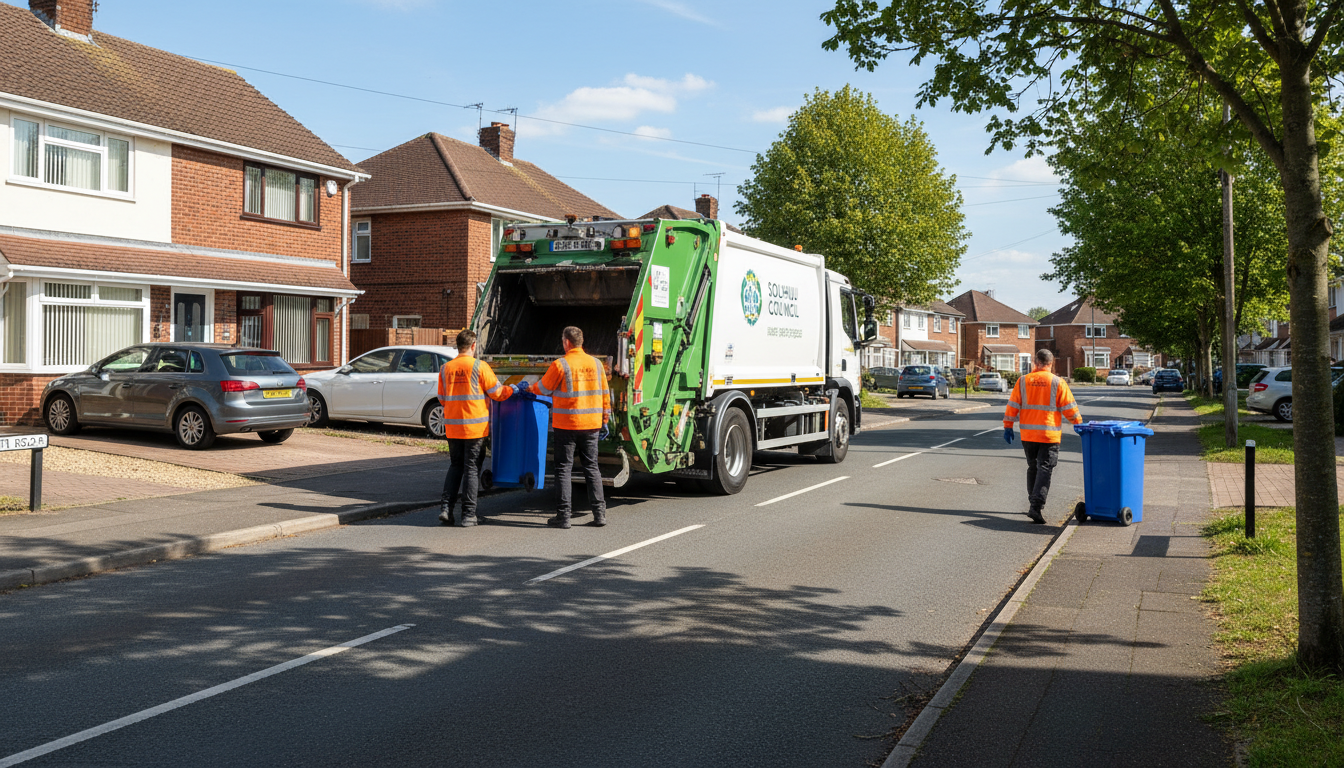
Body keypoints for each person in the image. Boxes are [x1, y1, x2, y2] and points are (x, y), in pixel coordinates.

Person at [519, 326, 611, 528]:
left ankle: (564, 517)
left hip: (567, 425)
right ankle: (599, 515)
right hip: (591, 425)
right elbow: (605, 392)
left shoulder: (561, 365)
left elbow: (543, 388)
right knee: (592, 468)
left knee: (563, 469)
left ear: (566, 342)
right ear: (581, 342)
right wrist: (605, 418)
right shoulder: (596, 364)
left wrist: (527, 388)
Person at [437, 330, 516, 527]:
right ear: (473, 346)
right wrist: (513, 389)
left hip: (453, 428)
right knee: (471, 468)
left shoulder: (445, 369)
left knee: (456, 466)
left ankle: (446, 509)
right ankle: (468, 515)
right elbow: (497, 393)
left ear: (458, 346)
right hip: (475, 428)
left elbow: (441, 398)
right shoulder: (480, 367)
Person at [1003, 348, 1083, 524]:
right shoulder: (1057, 382)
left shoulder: (1023, 381)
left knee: (1033, 467)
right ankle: (1036, 507)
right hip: (1048, 435)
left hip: (1028, 434)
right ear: (1051, 363)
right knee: (1045, 469)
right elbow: (1069, 407)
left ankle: (1033, 501)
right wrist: (1079, 425)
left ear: (1036, 362)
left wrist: (1008, 426)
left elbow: (1013, 405)